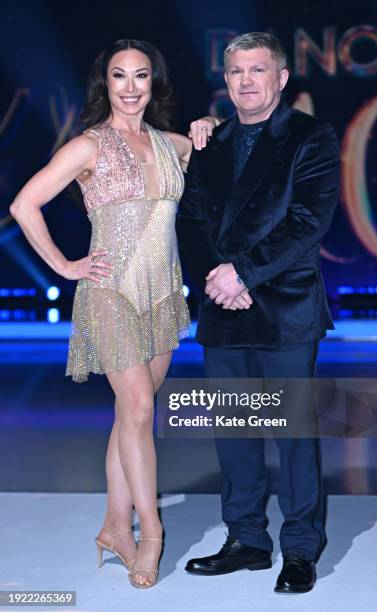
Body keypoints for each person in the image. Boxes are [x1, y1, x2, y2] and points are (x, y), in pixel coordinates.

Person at [9, 39, 216, 589]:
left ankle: (111, 527)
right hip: (112, 294)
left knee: (131, 415)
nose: (130, 87)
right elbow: (23, 204)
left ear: (154, 82)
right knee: (141, 410)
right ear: (106, 84)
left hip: (164, 295)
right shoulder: (89, 146)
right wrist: (63, 265)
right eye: (119, 76)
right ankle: (151, 534)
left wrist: (207, 124)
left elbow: (212, 138)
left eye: (140, 76)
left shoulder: (169, 143)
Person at [176, 32, 340, 593]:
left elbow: (308, 221)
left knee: (293, 433)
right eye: (236, 72)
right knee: (235, 431)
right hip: (223, 308)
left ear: (281, 78)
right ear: (226, 81)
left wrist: (243, 273)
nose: (246, 81)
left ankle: (300, 548)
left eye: (258, 70)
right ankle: (246, 540)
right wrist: (218, 281)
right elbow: (190, 222)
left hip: (286, 307)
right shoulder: (210, 141)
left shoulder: (309, 136)